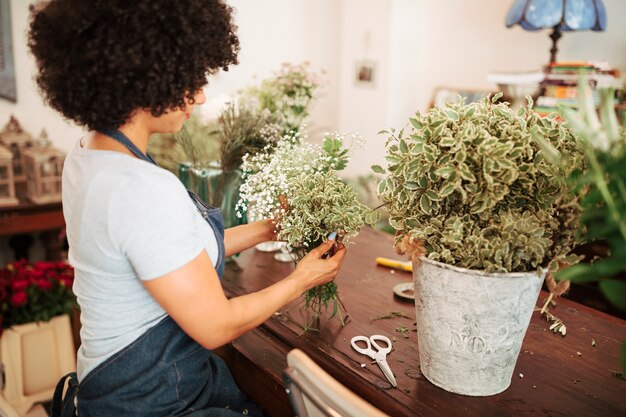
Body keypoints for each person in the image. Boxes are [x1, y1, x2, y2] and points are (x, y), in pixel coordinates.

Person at [27, 1, 347, 416]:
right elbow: (215, 325)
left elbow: (172, 255)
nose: (199, 94)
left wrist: (268, 229)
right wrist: (301, 279)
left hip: (106, 387)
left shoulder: (90, 154)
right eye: (188, 78)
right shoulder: (140, 189)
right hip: (153, 399)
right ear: (144, 77)